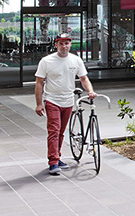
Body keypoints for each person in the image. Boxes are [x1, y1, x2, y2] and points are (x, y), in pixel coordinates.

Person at [34, 33, 96, 175]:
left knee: (61, 132)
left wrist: (90, 91)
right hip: (52, 100)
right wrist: (39, 104)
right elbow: (39, 83)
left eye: (66, 43)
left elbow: (83, 78)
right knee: (54, 131)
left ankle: (57, 156)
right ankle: (53, 162)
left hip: (68, 101)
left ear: (70, 44)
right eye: (61, 44)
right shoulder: (46, 61)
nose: (64, 46)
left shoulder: (76, 60)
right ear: (56, 45)